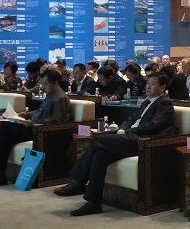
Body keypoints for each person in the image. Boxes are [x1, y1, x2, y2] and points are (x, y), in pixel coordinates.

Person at [53, 72, 176, 216]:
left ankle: (78, 182)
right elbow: (130, 119)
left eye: (153, 84)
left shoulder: (164, 103)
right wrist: (123, 129)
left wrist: (128, 131)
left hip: (144, 141)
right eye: (148, 83)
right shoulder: (147, 102)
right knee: (100, 155)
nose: (148, 86)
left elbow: (153, 126)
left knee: (98, 140)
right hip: (130, 136)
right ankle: (94, 203)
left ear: (163, 87)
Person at [0, 71, 71, 187]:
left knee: (5, 127)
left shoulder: (61, 98)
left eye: (45, 84)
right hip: (34, 127)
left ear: (54, 83)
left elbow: (57, 121)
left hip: (42, 132)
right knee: (3, 138)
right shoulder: (51, 95)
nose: (43, 87)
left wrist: (32, 122)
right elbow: (41, 112)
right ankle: (0, 175)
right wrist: (26, 114)